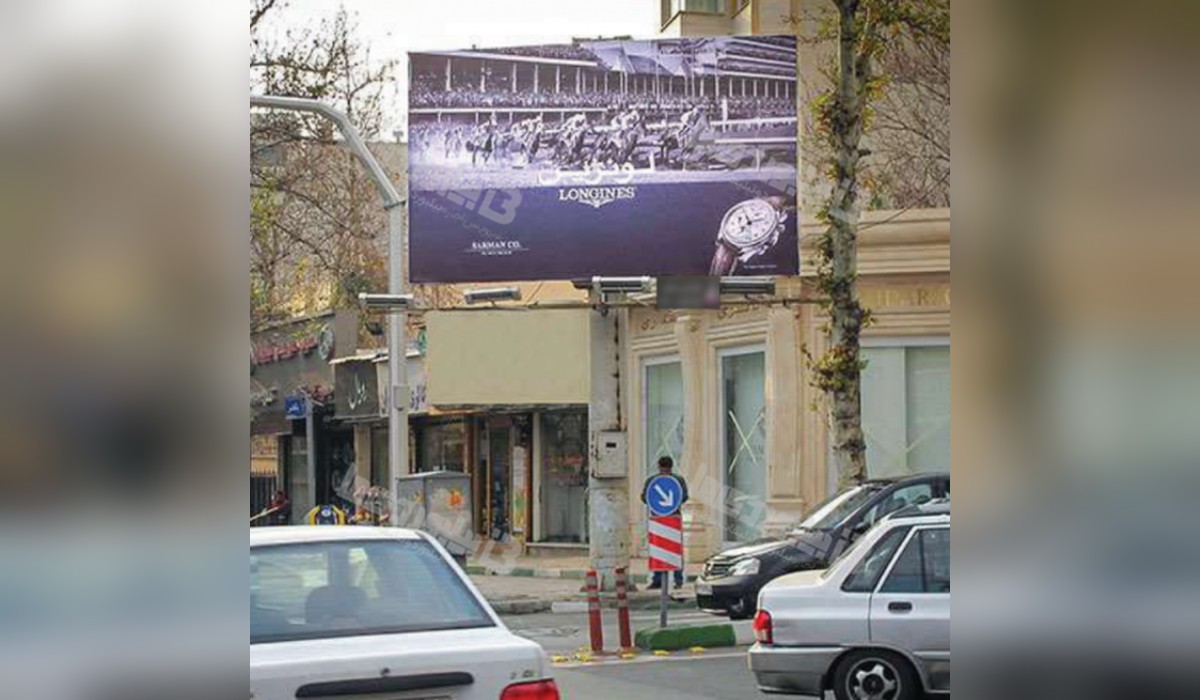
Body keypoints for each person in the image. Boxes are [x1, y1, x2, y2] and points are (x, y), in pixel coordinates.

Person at [642, 455, 688, 590]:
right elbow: (684, 497)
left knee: (658, 549)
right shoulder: (678, 480)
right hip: (674, 518)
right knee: (675, 550)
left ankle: (657, 579)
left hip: (658, 519)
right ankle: (678, 580)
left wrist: (658, 506)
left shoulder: (652, 480)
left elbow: (645, 497)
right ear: (671, 466)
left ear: (659, 466)